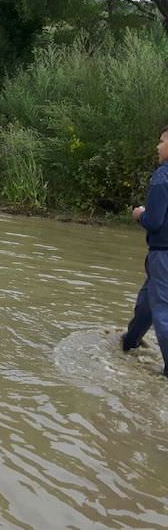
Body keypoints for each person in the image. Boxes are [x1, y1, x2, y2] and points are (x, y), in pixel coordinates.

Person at [123, 126, 168, 379]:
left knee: (162, 311)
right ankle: (130, 342)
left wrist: (140, 214)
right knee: (147, 304)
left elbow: (155, 221)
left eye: (162, 141)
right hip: (161, 257)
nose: (157, 146)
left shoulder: (163, 175)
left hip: (164, 253)